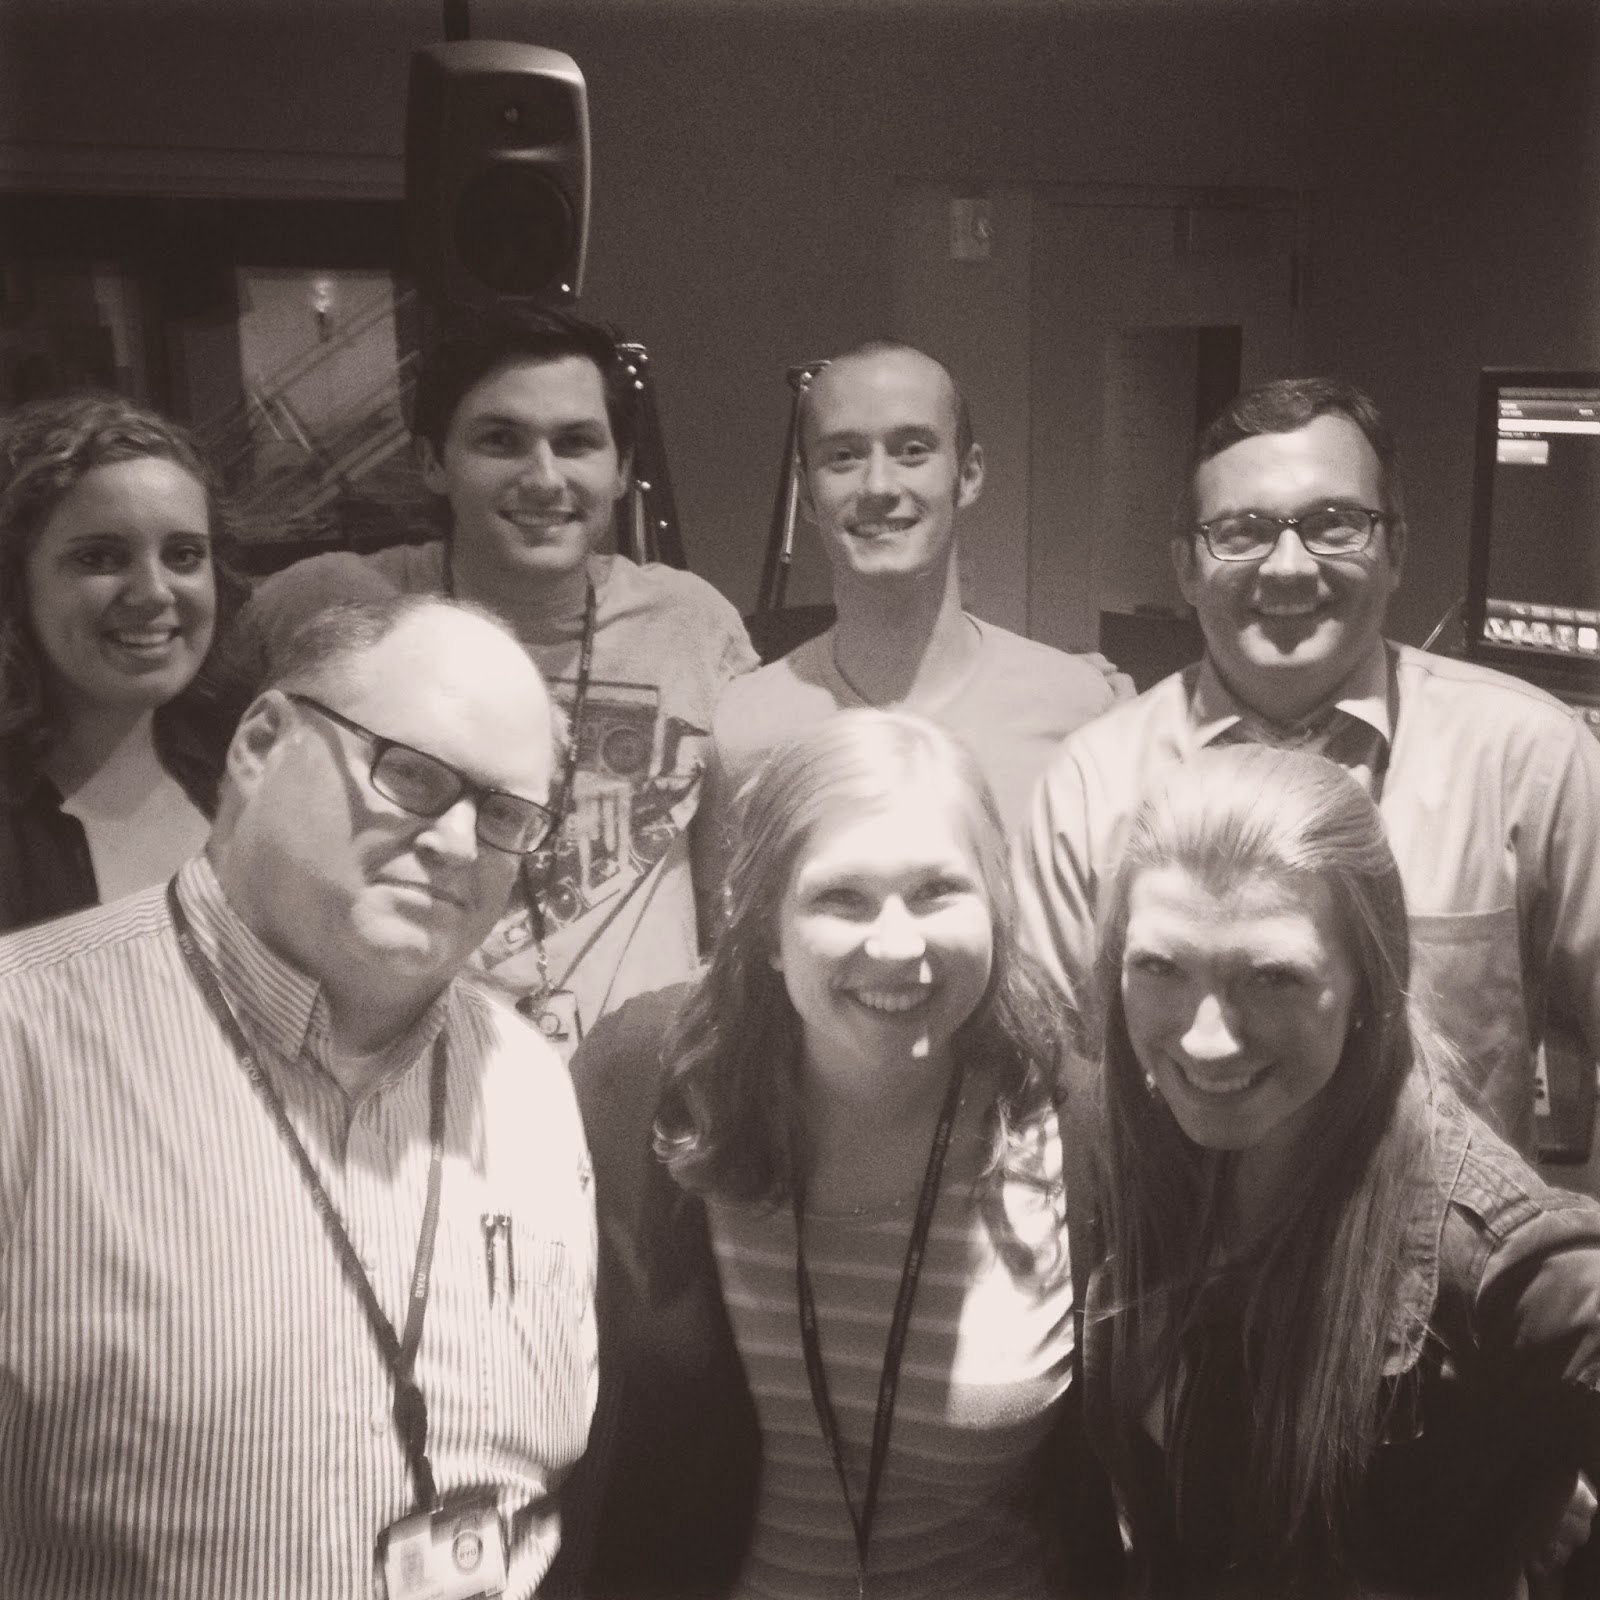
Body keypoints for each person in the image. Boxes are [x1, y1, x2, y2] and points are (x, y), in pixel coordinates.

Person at [0, 593, 597, 1598]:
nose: (459, 843)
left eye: (503, 814)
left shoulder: (530, 1086)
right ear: (261, 743)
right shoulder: (23, 1045)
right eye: (412, 773)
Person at [556, 709, 1121, 1600]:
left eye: (937, 891)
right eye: (841, 898)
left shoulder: (1080, 1126)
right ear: (766, 931)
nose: (896, 944)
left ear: (997, 907)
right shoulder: (642, 1083)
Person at [1015, 376, 1600, 1157]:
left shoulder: (1531, 759)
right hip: (1173, 1233)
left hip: (1450, 1234)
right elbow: (1052, 1084)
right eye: (1242, 531)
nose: (1288, 566)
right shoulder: (1089, 790)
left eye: (1333, 524)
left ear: (1395, 550)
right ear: (1186, 568)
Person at [1077, 741, 1600, 1597]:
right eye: (1160, 968)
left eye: (1274, 978)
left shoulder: (1488, 1249)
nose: (1206, 1039)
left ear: (1370, 985)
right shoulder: (1129, 1154)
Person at [219, 303, 758, 1053]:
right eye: (500, 440)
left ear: (621, 469)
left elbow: (732, 887)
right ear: (432, 463)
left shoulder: (693, 625)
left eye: (576, 443)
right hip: (400, 1073)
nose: (544, 478)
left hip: (644, 1082)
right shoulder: (329, 605)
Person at [699, 340, 1131, 930]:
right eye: (843, 456)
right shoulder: (741, 730)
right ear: (808, 493)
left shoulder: (1080, 710)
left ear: (968, 474)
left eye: (912, 451)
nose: (878, 485)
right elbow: (732, 949)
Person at [0, 391, 249, 933]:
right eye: (100, 557)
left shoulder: (254, 770)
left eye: (184, 555)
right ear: (15, 584)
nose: (155, 592)